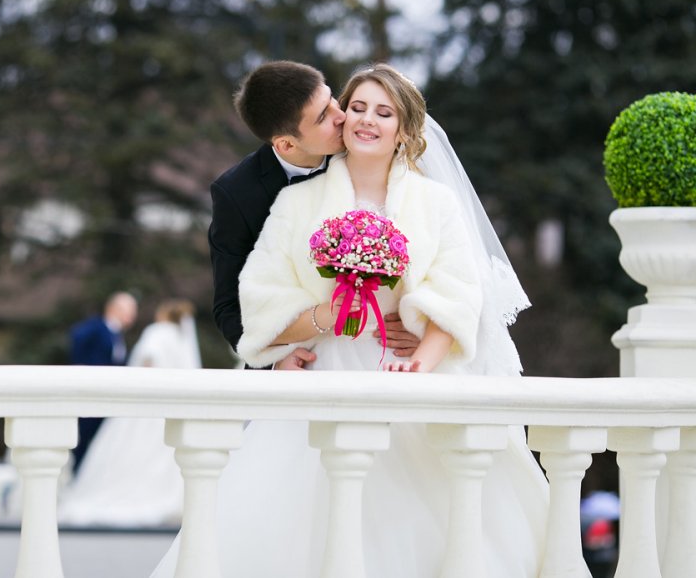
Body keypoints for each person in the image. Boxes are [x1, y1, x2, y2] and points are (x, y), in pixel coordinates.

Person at [150, 64, 571, 576]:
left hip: (410, 378)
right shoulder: (292, 200)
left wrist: (419, 362)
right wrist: (325, 319)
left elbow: (458, 295)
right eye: (356, 107)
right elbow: (253, 306)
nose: (359, 118)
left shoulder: (436, 202)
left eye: (382, 112)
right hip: (324, 377)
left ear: (405, 130)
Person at [208, 60, 419, 371]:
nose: (342, 115)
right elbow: (230, 307)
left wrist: (419, 328)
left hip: (385, 353)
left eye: (332, 99)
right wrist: (275, 361)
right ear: (286, 144)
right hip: (308, 359)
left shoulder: (367, 144)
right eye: (323, 117)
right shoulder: (237, 193)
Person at [58, 299, 201, 528]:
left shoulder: (157, 331)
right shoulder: (180, 338)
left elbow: (149, 358)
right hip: (168, 409)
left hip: (145, 406)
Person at [68, 291, 138, 472]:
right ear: (113, 308)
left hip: (108, 397)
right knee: (83, 437)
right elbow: (77, 338)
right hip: (91, 393)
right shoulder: (97, 327)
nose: (132, 316)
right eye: (128, 310)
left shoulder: (118, 335)